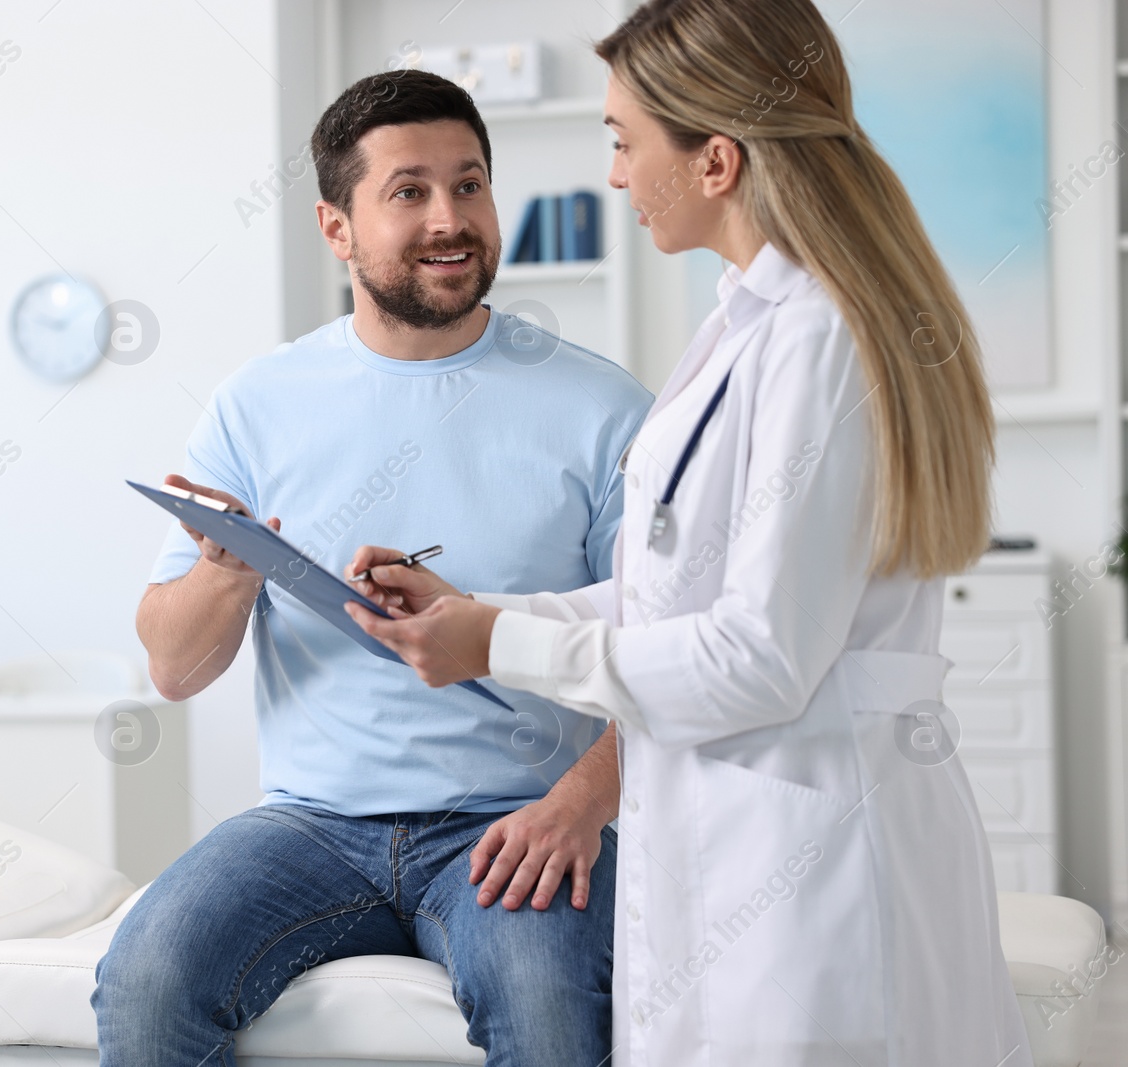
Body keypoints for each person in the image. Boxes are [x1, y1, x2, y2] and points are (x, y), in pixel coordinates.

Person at [344, 2, 1032, 1064]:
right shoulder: (744, 325)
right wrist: (481, 611)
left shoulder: (816, 339)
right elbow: (675, 590)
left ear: (713, 160)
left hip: (814, 857)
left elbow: (756, 659)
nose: (614, 175)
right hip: (739, 833)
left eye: (623, 142)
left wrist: (498, 647)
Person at [92, 69, 652, 1065]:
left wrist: (581, 803)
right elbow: (174, 668)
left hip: (514, 818)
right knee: (145, 976)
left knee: (550, 1008)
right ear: (335, 226)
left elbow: (671, 647)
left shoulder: (602, 409)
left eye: (469, 184)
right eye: (409, 191)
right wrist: (230, 567)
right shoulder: (255, 403)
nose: (451, 218)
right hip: (311, 824)